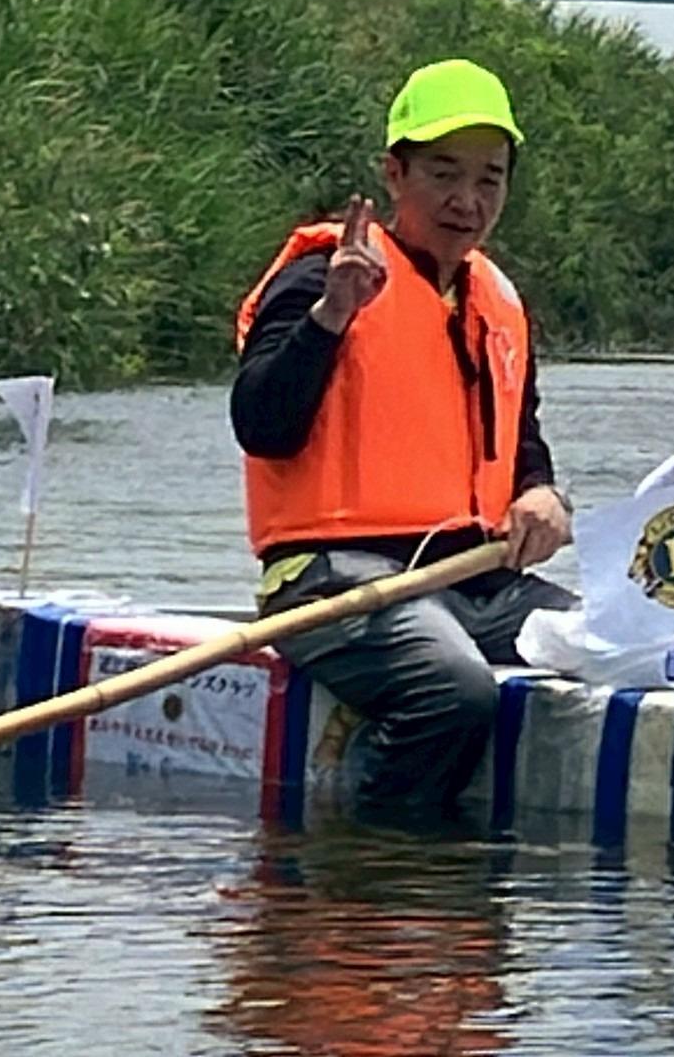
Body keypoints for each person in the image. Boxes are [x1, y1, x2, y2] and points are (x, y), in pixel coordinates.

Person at [231, 57, 575, 821]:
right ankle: (376, 867)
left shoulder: (497, 301)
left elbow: (522, 443)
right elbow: (260, 423)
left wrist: (543, 494)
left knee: (603, 645)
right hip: (327, 577)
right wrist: (331, 316)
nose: (468, 200)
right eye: (444, 173)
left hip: (472, 576)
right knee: (453, 688)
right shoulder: (322, 276)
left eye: (490, 178)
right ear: (395, 173)